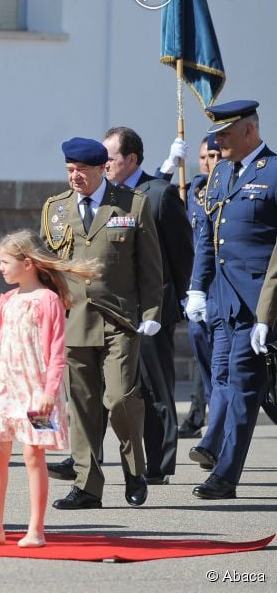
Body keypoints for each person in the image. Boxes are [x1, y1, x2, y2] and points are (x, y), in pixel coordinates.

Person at [41, 137, 162, 510]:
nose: (75, 177)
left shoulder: (131, 204)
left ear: (101, 169)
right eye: (69, 170)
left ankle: (134, 470)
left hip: (119, 319)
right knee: (83, 405)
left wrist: (151, 314)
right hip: (73, 319)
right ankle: (87, 486)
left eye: (82, 170)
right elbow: (49, 270)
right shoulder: (56, 209)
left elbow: (150, 268)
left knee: (121, 398)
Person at [0, 230, 96, 548]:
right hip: (5, 392)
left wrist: (48, 393)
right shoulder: (7, 300)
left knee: (33, 453)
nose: (0, 267)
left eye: (5, 261)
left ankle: (35, 528)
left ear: (27, 263)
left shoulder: (48, 300)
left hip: (38, 394)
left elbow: (56, 351)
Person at [186, 100, 277, 499]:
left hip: (262, 302)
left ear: (249, 132)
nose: (216, 140)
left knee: (249, 387)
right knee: (244, 385)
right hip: (227, 302)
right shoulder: (221, 173)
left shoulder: (274, 172)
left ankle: (224, 475)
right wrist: (197, 287)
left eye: (224, 133)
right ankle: (224, 475)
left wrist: (266, 312)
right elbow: (209, 236)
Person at [102, 127, 193, 485]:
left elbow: (181, 253)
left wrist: (176, 300)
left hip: (153, 309)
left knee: (155, 387)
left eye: (110, 157)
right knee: (124, 389)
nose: (104, 163)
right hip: (118, 308)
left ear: (132, 159)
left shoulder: (160, 194)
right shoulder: (109, 195)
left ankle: (159, 461)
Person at [179, 135, 221, 440]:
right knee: (201, 347)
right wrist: (169, 166)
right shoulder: (193, 190)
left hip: (228, 286)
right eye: (203, 157)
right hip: (200, 286)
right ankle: (206, 422)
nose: (208, 162)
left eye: (214, 156)